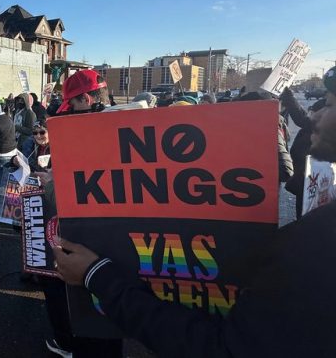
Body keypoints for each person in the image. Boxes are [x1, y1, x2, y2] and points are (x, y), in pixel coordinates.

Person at [51, 81, 336, 358]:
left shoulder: (316, 246)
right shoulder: (312, 237)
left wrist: (96, 275)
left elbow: (222, 346)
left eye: (331, 104)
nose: (316, 113)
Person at [45, 69, 122, 358]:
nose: (70, 114)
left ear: (86, 98)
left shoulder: (83, 135)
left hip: (86, 239)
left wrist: (49, 184)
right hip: (119, 239)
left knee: (90, 319)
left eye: (73, 105)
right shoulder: (124, 127)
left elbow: (69, 195)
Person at [281, 87, 327, 217]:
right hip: (307, 180)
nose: (311, 114)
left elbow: (300, 117)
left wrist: (288, 96)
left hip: (312, 181)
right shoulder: (316, 127)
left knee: (309, 217)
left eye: (313, 112)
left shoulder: (320, 127)